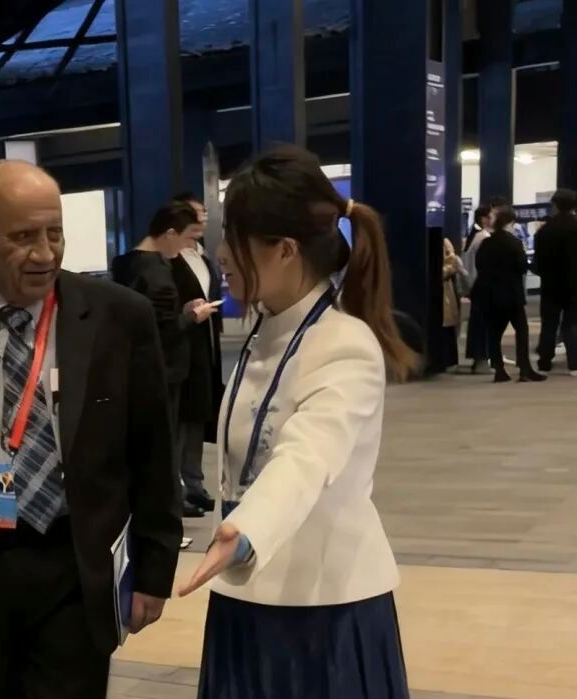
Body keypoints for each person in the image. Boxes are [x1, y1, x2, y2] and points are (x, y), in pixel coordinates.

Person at [0, 160, 183, 698]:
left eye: (54, 233)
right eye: (23, 237)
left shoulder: (120, 316)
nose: (45, 253)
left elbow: (153, 453)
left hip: (77, 565)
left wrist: (154, 571)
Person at [177, 145, 418, 698]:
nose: (221, 254)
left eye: (233, 237)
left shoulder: (344, 344)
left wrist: (246, 530)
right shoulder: (267, 328)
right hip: (246, 591)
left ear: (284, 249)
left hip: (321, 607)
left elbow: (309, 453)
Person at [111, 202, 216, 519]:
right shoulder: (156, 271)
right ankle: (168, 501)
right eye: (185, 238)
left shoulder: (126, 263)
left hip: (139, 365)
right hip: (165, 367)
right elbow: (162, 328)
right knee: (165, 439)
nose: (185, 247)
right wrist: (192, 317)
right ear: (170, 233)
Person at [170, 192, 224, 514]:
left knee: (196, 419)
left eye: (203, 213)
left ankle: (194, 484)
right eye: (195, 214)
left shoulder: (202, 256)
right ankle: (177, 490)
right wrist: (188, 313)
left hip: (205, 347)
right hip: (181, 347)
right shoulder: (169, 258)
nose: (201, 219)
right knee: (179, 421)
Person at [474, 207, 546, 383]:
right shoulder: (514, 243)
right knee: (521, 330)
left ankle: (499, 369)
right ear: (510, 223)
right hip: (512, 294)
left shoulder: (486, 243)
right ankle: (524, 369)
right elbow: (521, 267)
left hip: (491, 294)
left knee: (494, 333)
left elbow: (479, 266)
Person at [532, 188, 577, 375]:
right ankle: (574, 363)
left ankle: (544, 361)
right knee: (572, 323)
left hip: (550, 285)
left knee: (549, 324)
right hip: (574, 285)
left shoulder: (544, 231)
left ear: (555, 205)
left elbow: (537, 263)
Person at [463, 205, 494, 372]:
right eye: (492, 215)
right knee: (482, 324)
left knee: (478, 323)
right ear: (484, 219)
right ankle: (481, 359)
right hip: (482, 285)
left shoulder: (476, 236)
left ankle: (479, 359)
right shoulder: (484, 238)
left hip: (476, 285)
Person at [439, 238, 466, 371]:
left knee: (448, 327)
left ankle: (448, 359)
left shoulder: (444, 242)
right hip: (445, 291)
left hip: (446, 291)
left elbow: (451, 260)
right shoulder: (445, 242)